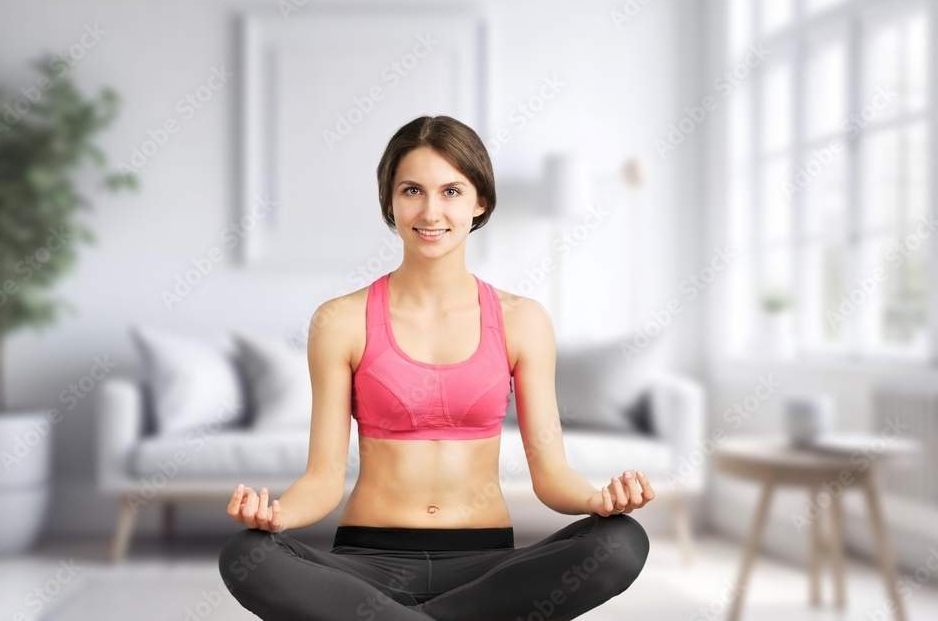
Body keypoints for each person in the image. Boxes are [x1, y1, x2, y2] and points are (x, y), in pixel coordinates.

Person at [218, 115, 653, 620]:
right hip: (366, 564)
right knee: (246, 555)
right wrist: (274, 516)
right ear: (390, 202)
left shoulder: (523, 320)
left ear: (479, 201)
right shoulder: (340, 320)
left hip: (487, 568)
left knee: (622, 542)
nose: (430, 210)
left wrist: (600, 500)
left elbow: (551, 474)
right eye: (411, 190)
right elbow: (323, 477)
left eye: (451, 190)